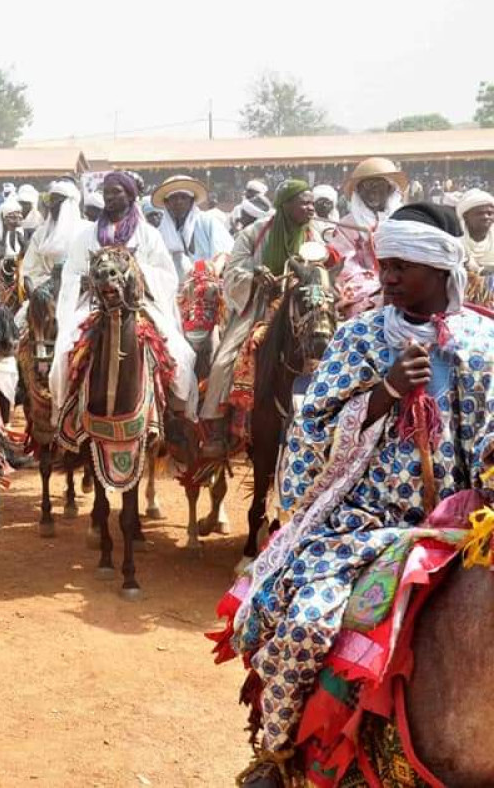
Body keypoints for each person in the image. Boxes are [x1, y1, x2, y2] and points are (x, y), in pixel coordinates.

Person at [219, 202, 494, 786]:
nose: (387, 277)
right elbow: (310, 433)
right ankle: (277, 754)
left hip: (460, 525)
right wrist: (386, 391)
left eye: (402, 266)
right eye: (384, 265)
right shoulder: (359, 337)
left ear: (439, 269)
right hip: (362, 523)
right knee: (303, 619)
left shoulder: (484, 343)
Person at [51, 171, 197, 423]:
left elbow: (166, 275)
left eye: (116, 191)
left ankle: (174, 415)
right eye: (106, 192)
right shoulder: (87, 236)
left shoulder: (148, 234)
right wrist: (85, 281)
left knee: (179, 352)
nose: (109, 196)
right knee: (65, 350)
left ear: (130, 196)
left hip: (139, 304)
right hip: (94, 305)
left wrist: (138, 273)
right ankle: (65, 415)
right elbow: (71, 273)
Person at [199, 180, 323, 454]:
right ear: (285, 205)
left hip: (303, 306)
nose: (311, 208)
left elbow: (322, 270)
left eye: (312, 202)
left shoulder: (315, 235)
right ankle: (217, 427)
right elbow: (232, 273)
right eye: (304, 202)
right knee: (222, 362)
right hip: (259, 306)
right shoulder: (253, 233)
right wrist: (255, 276)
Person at [332, 157, 406, 319]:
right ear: (359, 192)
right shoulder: (347, 224)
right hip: (365, 286)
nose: (372, 191)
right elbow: (345, 264)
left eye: (378, 185)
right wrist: (378, 284)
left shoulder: (405, 219)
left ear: (389, 189)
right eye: (367, 186)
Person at [153, 175, 234, 280]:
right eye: (174, 198)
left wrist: (212, 270)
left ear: (192, 201)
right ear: (167, 203)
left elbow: (225, 253)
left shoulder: (207, 222)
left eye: (183, 197)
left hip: (208, 286)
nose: (179, 202)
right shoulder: (159, 233)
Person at [20, 178, 90, 290]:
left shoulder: (87, 231)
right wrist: (53, 283)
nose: (50, 206)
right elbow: (29, 272)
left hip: (83, 293)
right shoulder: (40, 234)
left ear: (69, 203)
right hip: (46, 293)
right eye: (49, 201)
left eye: (55, 201)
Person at [457, 188, 494, 269]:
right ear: (465, 216)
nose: (486, 217)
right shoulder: (455, 241)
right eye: (480, 213)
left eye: (490, 213)